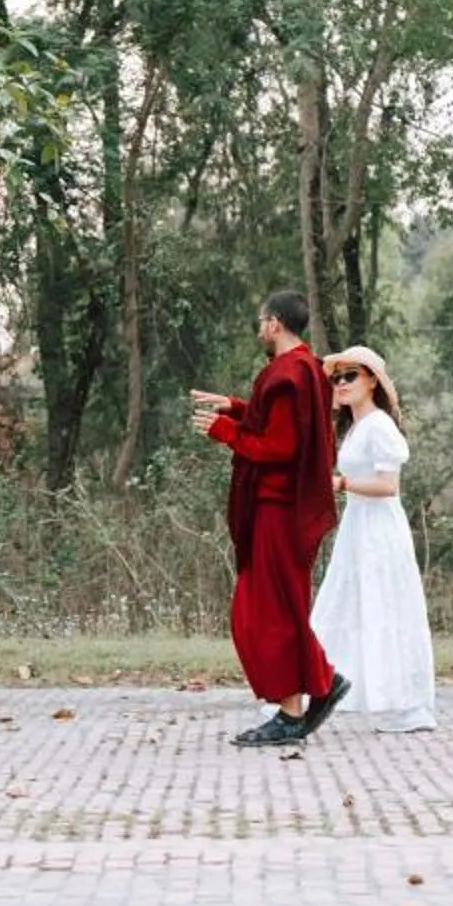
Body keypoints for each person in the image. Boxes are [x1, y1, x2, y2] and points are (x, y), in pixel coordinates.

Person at [191, 288, 349, 748]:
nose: (260, 329)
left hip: (279, 508)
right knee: (277, 608)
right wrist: (236, 407)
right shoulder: (306, 369)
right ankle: (319, 684)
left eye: (262, 322)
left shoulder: (289, 373)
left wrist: (225, 432)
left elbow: (280, 447)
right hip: (284, 509)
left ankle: (292, 710)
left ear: (275, 323)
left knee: (264, 613)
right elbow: (280, 425)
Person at [312, 345, 437, 732]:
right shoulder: (356, 428)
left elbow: (388, 485)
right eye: (337, 377)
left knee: (388, 608)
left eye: (351, 375)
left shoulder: (380, 425)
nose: (343, 383)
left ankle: (411, 705)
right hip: (358, 525)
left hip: (379, 528)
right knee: (348, 604)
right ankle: (318, 689)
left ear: (371, 381)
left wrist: (342, 483)